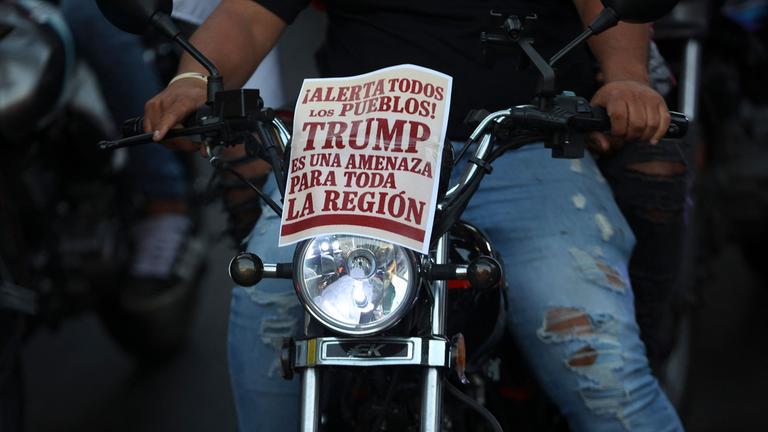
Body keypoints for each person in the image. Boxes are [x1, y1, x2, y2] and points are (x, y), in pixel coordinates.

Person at [143, 0, 684, 430]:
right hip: (355, 152)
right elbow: (247, 12)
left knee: (601, 366)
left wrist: (626, 76)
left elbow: (607, 5)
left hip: (525, 146)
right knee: (269, 299)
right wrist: (192, 83)